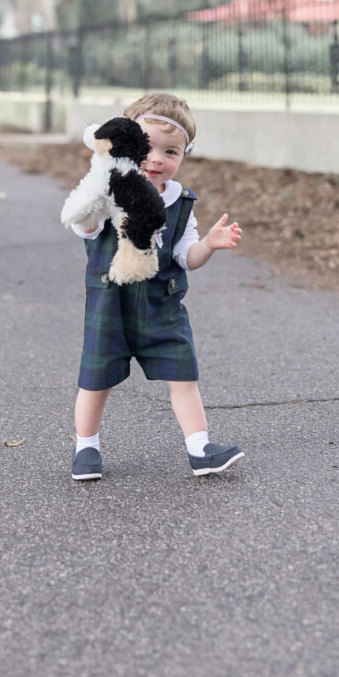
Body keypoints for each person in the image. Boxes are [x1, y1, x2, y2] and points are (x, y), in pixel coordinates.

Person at [68, 91, 244, 481]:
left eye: (171, 151)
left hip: (161, 307)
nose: (157, 159)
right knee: (96, 382)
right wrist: (100, 185)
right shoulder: (108, 189)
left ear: (183, 156)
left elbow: (187, 258)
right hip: (109, 304)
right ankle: (86, 447)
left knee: (184, 377)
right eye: (147, 146)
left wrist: (209, 245)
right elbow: (85, 225)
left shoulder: (181, 203)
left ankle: (200, 449)